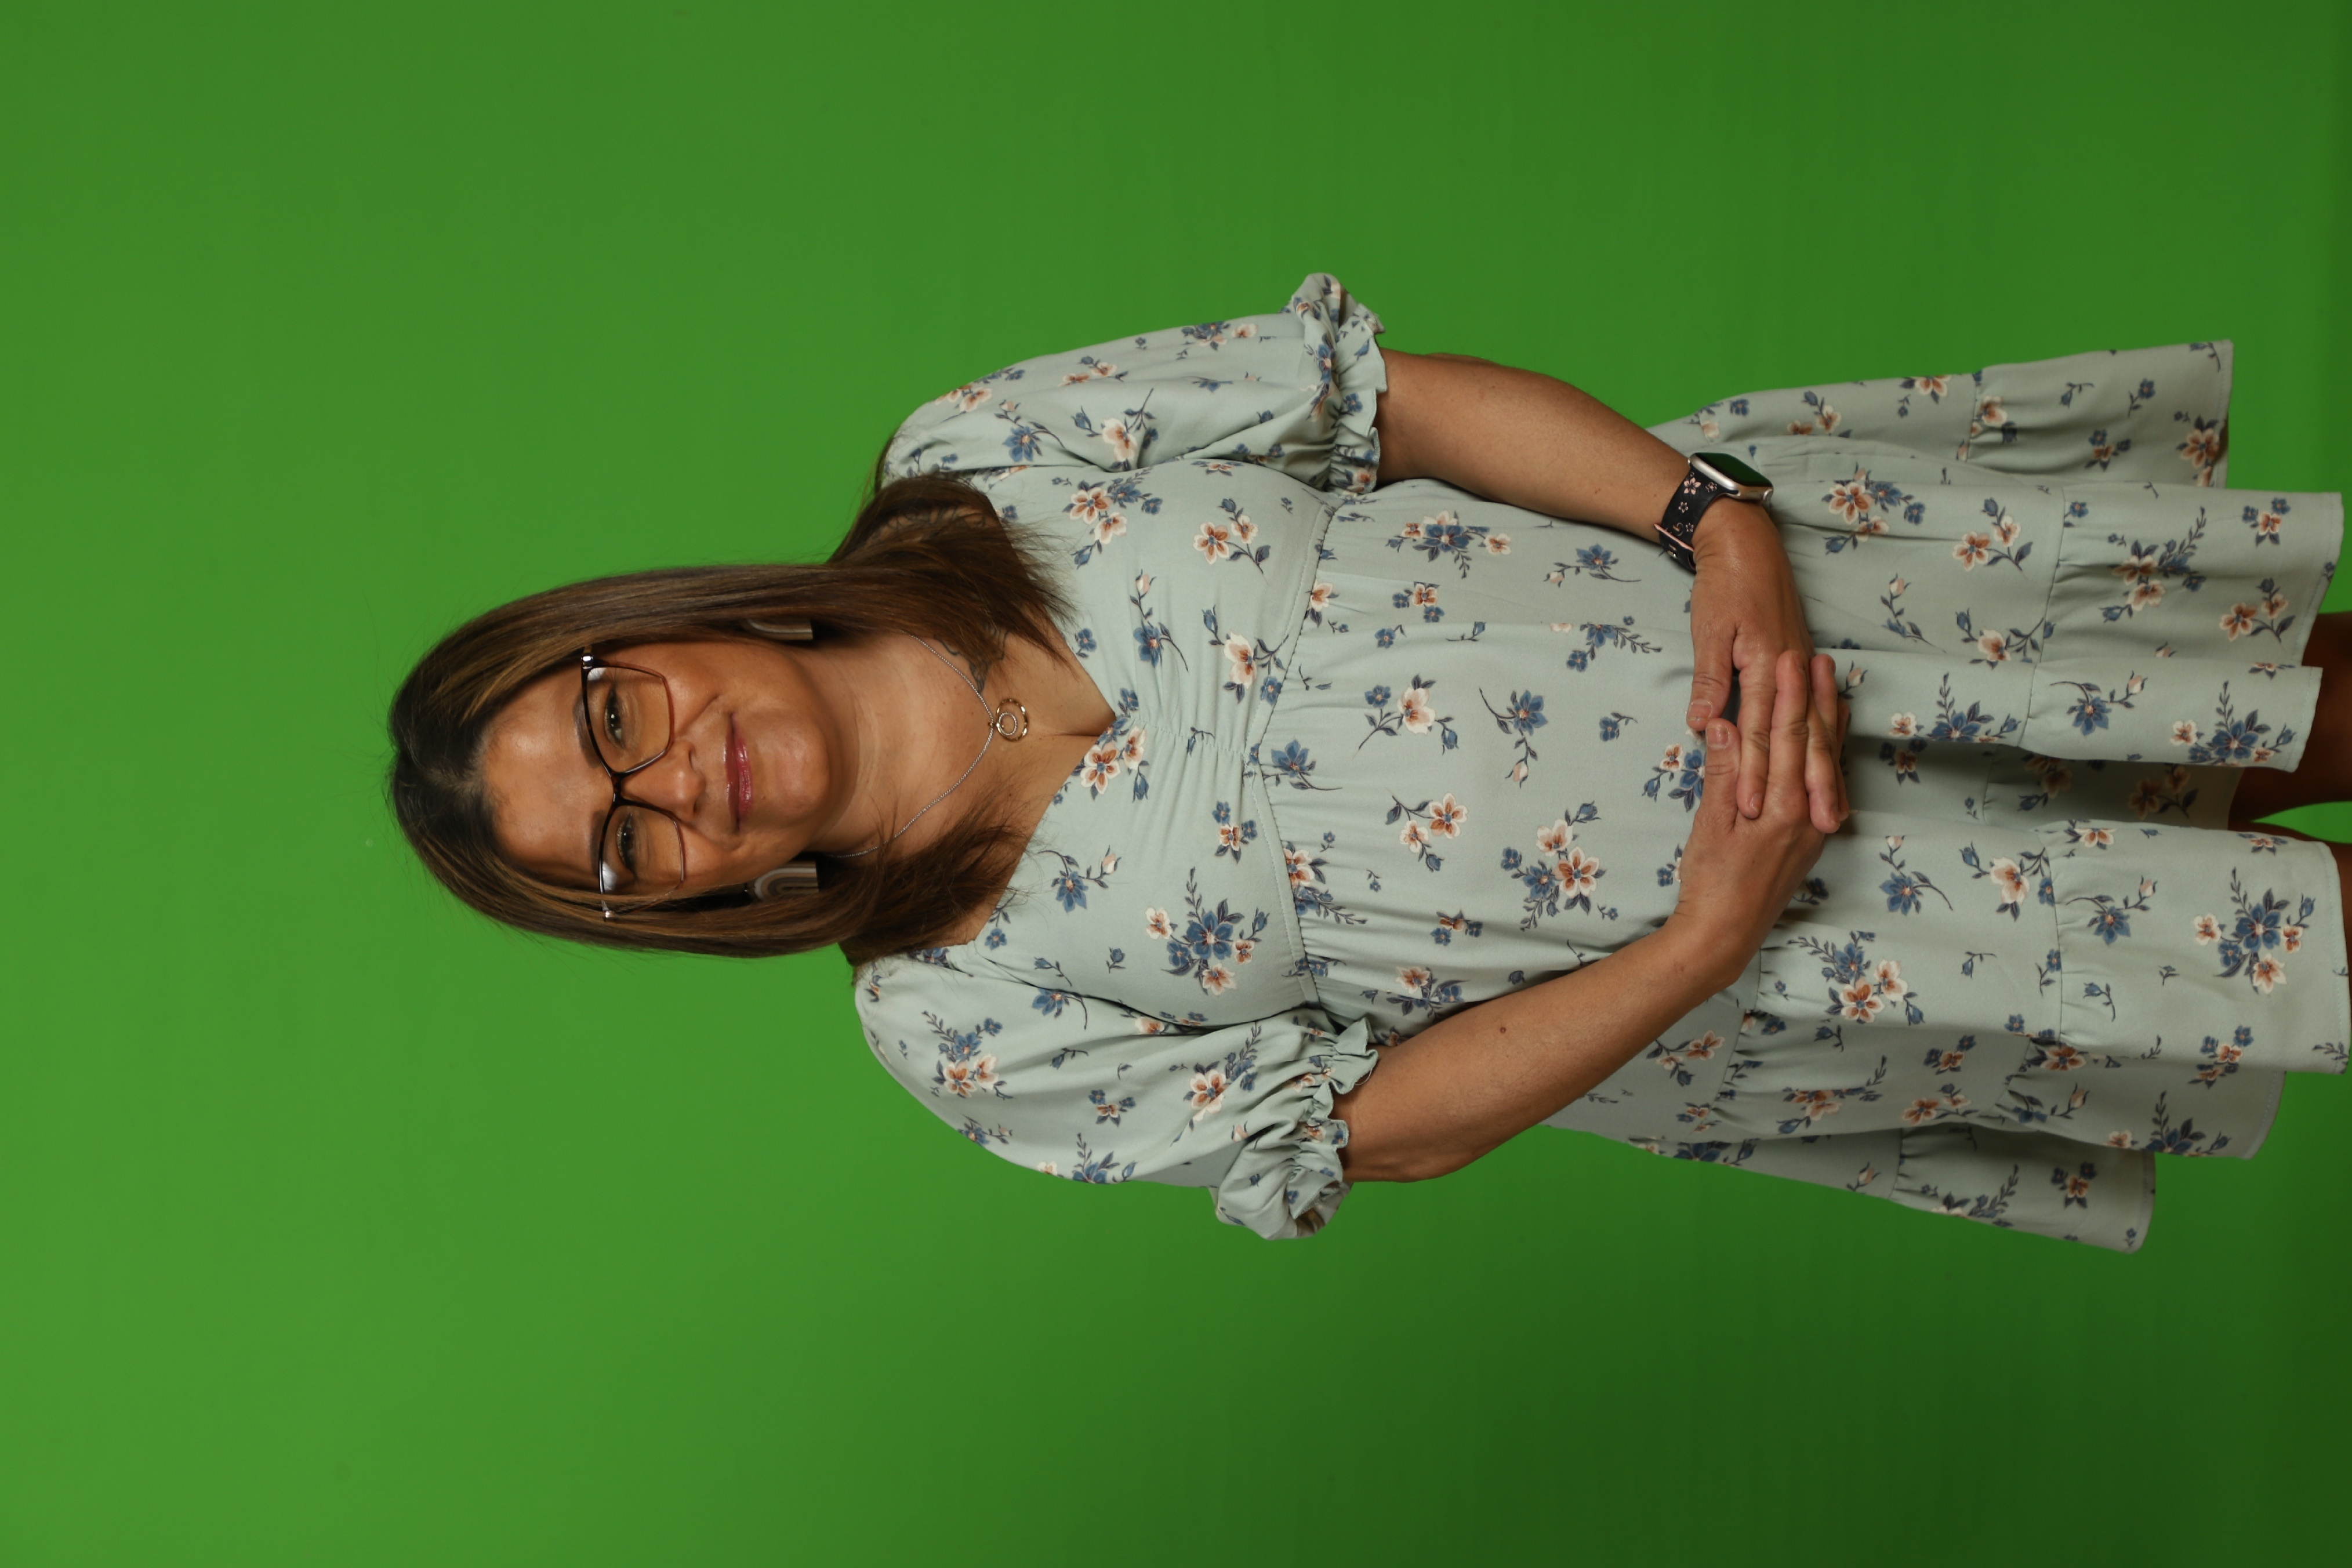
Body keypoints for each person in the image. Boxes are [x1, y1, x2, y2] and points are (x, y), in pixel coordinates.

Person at [390, 275, 2349, 1250]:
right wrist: (1707, 936)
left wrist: (1720, 522)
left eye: (614, 721)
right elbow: (1374, 1130)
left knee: (2301, 701)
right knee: (2299, 940)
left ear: (642, 632)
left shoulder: (977, 461)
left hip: (1806, 619)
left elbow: (1395, 411)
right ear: (677, 907)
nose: (675, 784)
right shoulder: (951, 1020)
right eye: (620, 849)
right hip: (1809, 943)